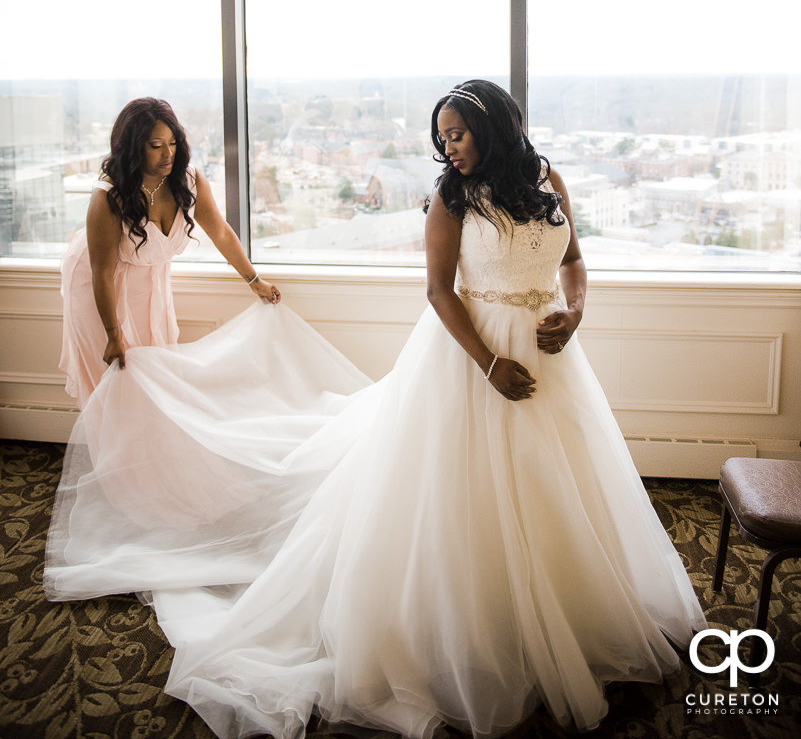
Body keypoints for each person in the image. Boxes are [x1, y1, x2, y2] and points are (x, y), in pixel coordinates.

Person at [46, 80, 705, 738]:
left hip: (549, 354)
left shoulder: (544, 176)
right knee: (455, 497)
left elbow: (574, 261)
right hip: (469, 354)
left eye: (458, 133)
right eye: (441, 137)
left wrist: (576, 310)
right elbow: (439, 294)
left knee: (559, 483)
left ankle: (564, 608)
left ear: (495, 127)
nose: (448, 147)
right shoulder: (449, 196)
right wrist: (488, 363)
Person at [59, 97, 280, 408]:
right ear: (134, 147)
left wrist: (254, 280)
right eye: (155, 145)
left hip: (148, 283)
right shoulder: (109, 196)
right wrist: (112, 333)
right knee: (115, 387)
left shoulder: (187, 180)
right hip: (98, 286)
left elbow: (219, 231)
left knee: (154, 382)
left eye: (173, 143)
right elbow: (102, 272)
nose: (168, 153)